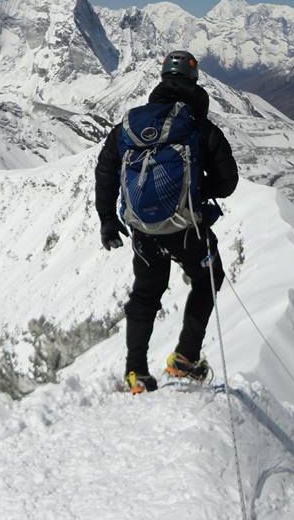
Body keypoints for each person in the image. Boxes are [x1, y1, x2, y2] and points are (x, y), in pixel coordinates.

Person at [94, 51, 239, 394]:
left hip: (143, 231)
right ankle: (185, 357)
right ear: (194, 82)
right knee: (208, 279)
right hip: (187, 230)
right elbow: (228, 183)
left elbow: (105, 170)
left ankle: (136, 374)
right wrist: (199, 192)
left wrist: (106, 220)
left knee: (145, 295)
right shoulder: (199, 127)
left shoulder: (129, 125)